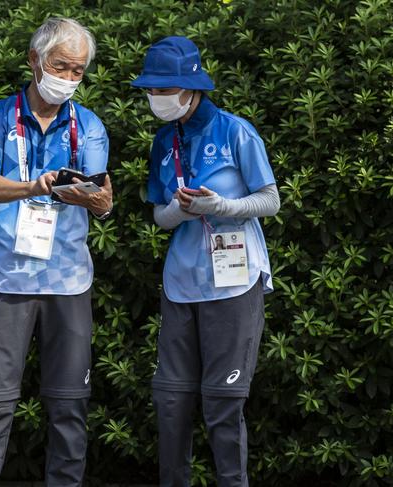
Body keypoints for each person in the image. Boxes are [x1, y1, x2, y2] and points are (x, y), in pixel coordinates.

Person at [0, 17, 113, 487]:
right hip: (4, 277)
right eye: (60, 65)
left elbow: (102, 193)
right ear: (34, 60)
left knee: (69, 408)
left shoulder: (88, 125)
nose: (68, 78)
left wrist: (98, 201)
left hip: (68, 280)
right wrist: (32, 186)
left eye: (77, 70)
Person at [131, 37, 280, 487]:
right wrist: (181, 210)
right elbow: (160, 216)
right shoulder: (164, 139)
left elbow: (270, 200)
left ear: (192, 87)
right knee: (171, 400)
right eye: (152, 91)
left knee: (222, 400)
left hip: (235, 281)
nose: (158, 98)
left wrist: (222, 206)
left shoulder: (236, 131)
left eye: (165, 89)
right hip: (181, 280)